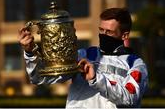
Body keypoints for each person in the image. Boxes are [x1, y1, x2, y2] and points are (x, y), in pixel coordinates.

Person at [18, 8, 148, 108]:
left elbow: (130, 97)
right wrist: (30, 53)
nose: (103, 35)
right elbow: (40, 78)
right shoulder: (83, 55)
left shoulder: (135, 64)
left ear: (124, 35)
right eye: (101, 30)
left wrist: (95, 79)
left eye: (108, 32)